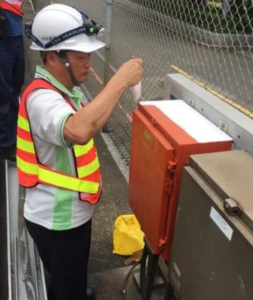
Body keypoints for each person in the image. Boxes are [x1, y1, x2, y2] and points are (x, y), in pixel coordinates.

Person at [16, 4, 143, 300]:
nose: (88, 63)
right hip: (57, 220)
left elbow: (92, 121)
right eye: (80, 56)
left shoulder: (62, 90)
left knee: (70, 274)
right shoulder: (41, 99)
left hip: (69, 213)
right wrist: (119, 81)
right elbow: (78, 130)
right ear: (51, 57)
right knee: (67, 283)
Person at [0, 0, 25, 161]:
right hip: (3, 36)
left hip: (16, 33)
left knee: (16, 86)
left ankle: (15, 136)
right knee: (3, 94)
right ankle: (5, 145)